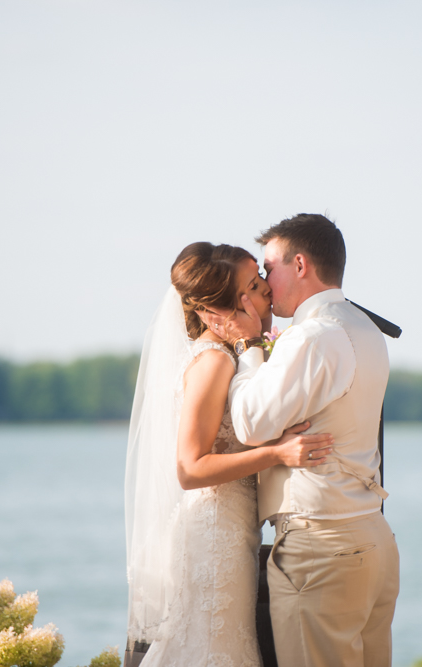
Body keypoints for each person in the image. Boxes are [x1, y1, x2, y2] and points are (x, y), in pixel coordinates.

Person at [201, 214, 399, 667]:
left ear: (301, 264)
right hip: (373, 539)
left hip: (323, 550)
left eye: (270, 269)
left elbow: (251, 423)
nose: (266, 284)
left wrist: (251, 345)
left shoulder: (313, 336)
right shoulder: (364, 328)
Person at [124, 242, 334, 667]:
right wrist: (278, 453)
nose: (268, 293)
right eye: (256, 286)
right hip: (214, 534)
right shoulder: (215, 362)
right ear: (225, 310)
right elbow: (189, 468)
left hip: (230, 529)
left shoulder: (230, 358)